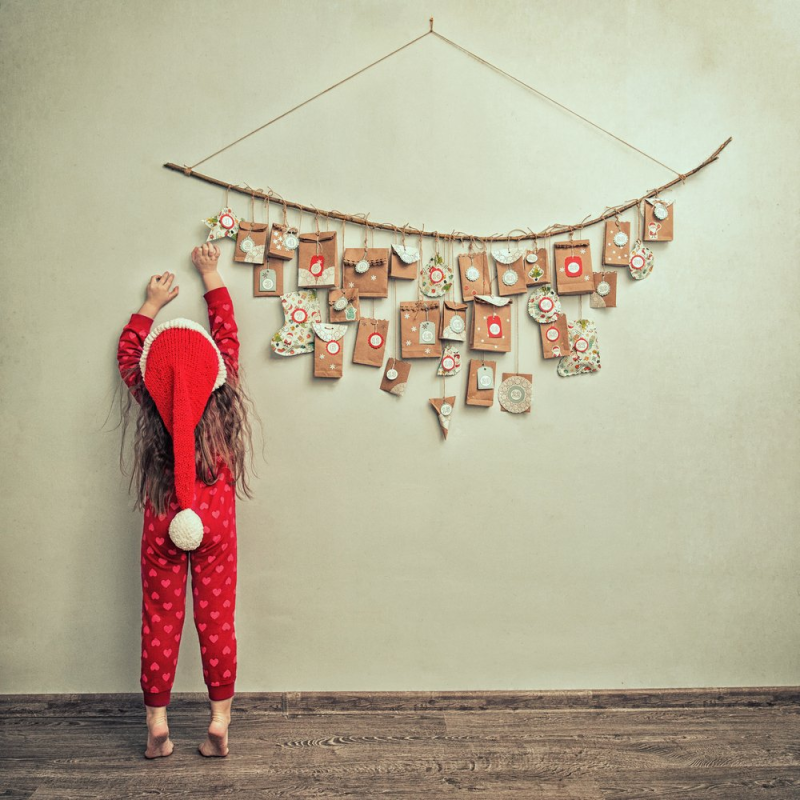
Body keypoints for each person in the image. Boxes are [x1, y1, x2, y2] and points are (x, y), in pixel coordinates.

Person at [117, 243, 254, 758]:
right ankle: (219, 722)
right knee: (217, 620)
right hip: (214, 523)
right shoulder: (223, 396)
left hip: (163, 523)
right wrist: (212, 273)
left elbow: (128, 354)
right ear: (216, 372)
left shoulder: (149, 397)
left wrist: (151, 305)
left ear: (155, 378)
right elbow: (229, 338)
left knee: (161, 616)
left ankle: (157, 723)